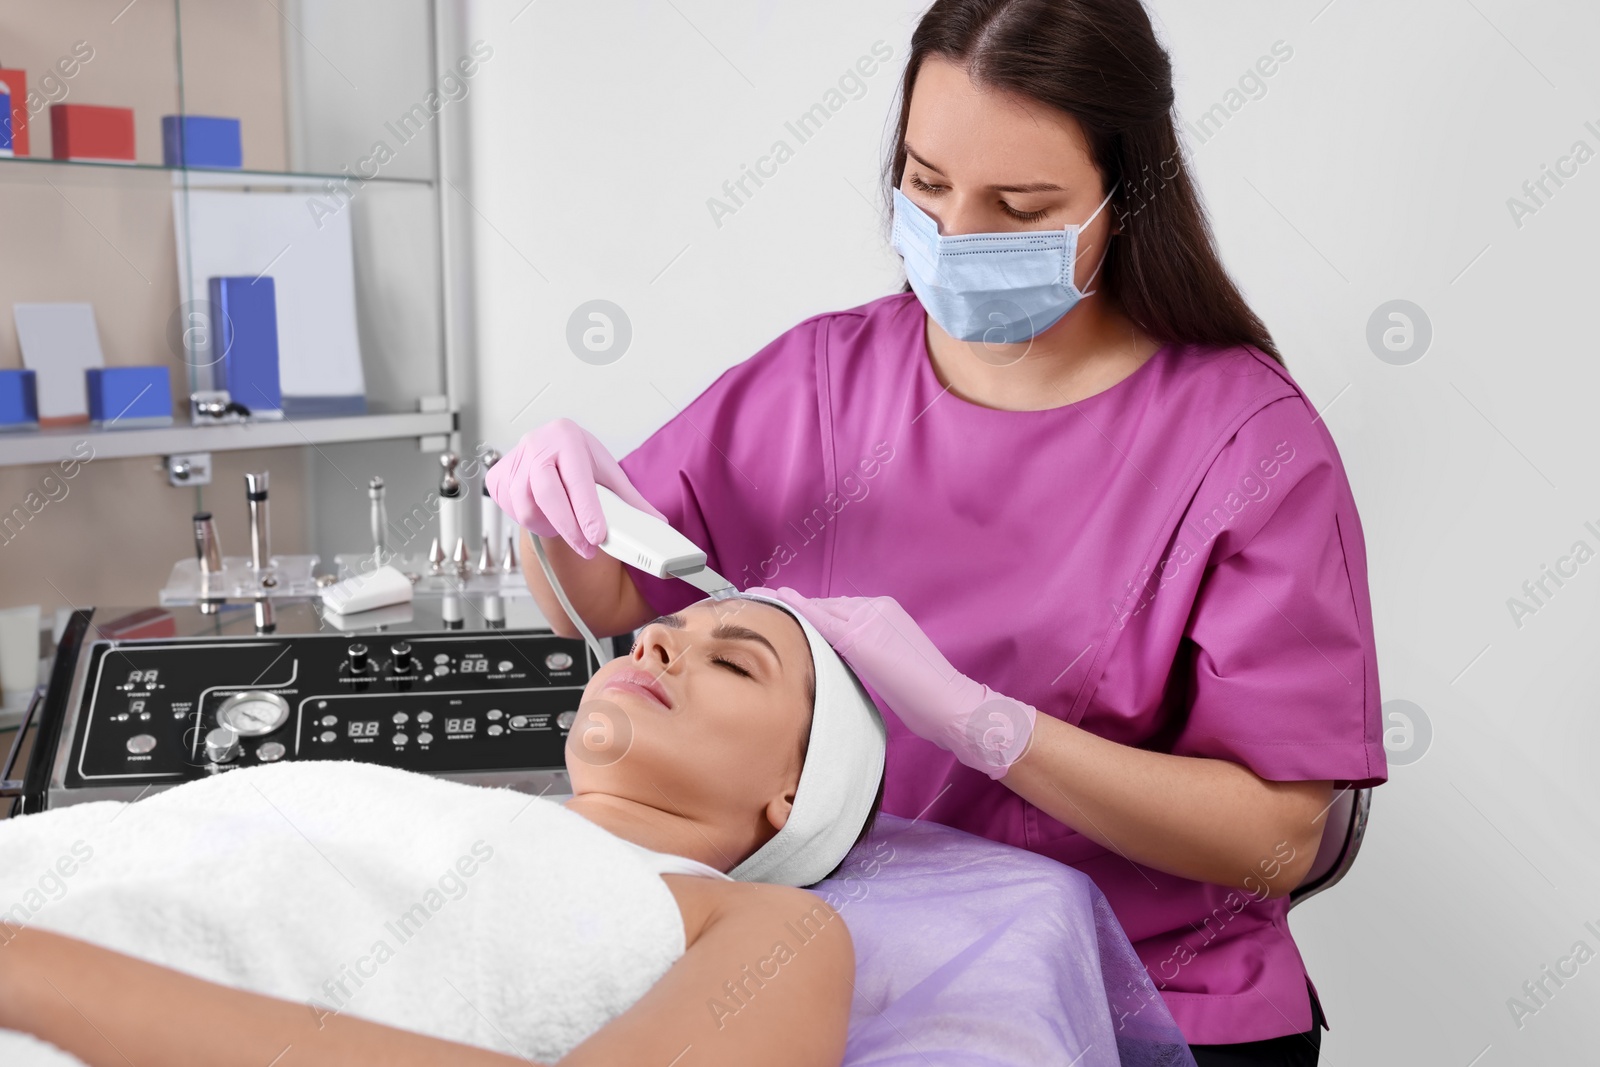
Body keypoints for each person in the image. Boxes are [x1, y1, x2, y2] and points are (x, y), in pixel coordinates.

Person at [486, 1, 1385, 1063]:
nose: (954, 237)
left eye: (1018, 205)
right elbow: (616, 606)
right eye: (925, 182)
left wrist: (987, 726)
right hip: (853, 971)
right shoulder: (818, 380)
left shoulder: (1246, 444)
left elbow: (1278, 836)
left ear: (1125, 194)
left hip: (1154, 1006)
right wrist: (558, 512)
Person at [0, 593, 887, 1067]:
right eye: (659, 630)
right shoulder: (428, 809)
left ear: (794, 790)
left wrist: (31, 969)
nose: (654, 644)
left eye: (732, 660)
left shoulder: (774, 929)